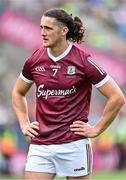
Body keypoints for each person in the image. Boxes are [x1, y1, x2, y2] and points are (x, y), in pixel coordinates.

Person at [12, 8, 125, 180]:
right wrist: (24, 124)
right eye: (41, 27)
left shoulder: (84, 61)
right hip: (41, 145)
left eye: (48, 28)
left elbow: (117, 97)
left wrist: (97, 129)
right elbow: (18, 92)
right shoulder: (35, 60)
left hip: (74, 145)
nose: (42, 33)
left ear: (64, 30)